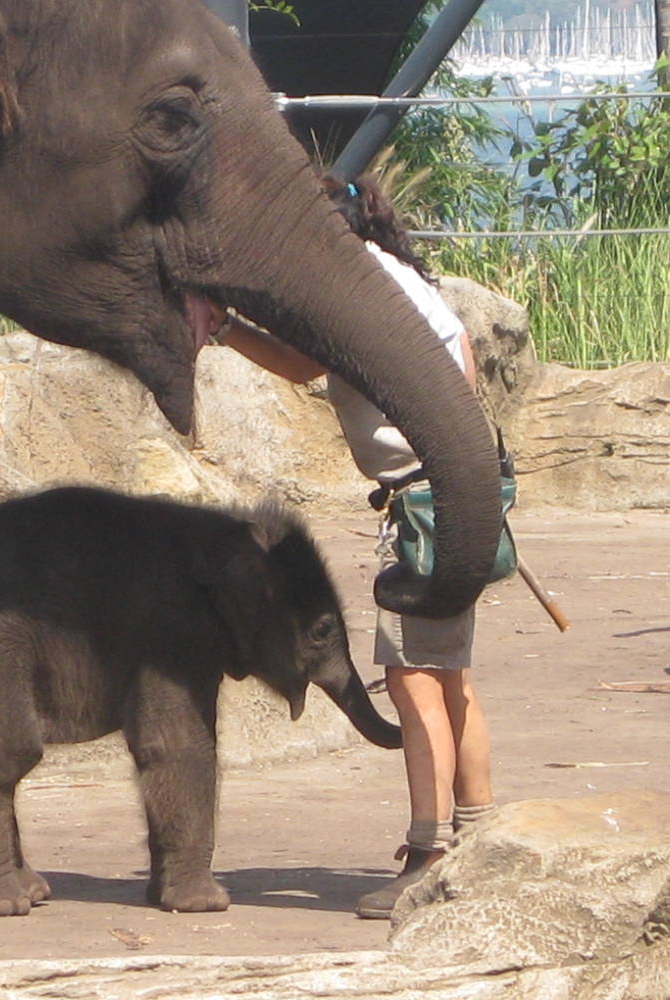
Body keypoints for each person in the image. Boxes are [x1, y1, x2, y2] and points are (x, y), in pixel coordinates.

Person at [207, 173, 495, 921]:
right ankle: (480, 838)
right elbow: (458, 351)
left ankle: (431, 854)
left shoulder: (358, 286)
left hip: (424, 505)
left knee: (413, 679)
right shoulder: (399, 277)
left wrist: (222, 326)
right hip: (456, 490)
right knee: (450, 676)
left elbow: (306, 362)